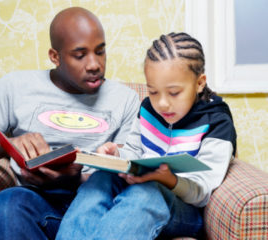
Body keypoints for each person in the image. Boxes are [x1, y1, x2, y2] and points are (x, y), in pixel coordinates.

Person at [0, 7, 140, 240]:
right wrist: (10, 144)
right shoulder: (15, 87)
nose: (94, 64)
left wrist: (76, 178)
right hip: (37, 201)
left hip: (97, 205)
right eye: (80, 55)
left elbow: (130, 169)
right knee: (4, 206)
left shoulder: (126, 98)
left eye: (100, 52)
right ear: (55, 56)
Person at [55, 32, 237, 240]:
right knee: (100, 179)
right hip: (135, 191)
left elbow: (202, 191)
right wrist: (117, 154)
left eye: (174, 93)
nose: (162, 104)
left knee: (148, 191)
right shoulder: (148, 110)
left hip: (182, 209)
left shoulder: (217, 122)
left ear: (199, 83)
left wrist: (170, 180)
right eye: (153, 92)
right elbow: (134, 153)